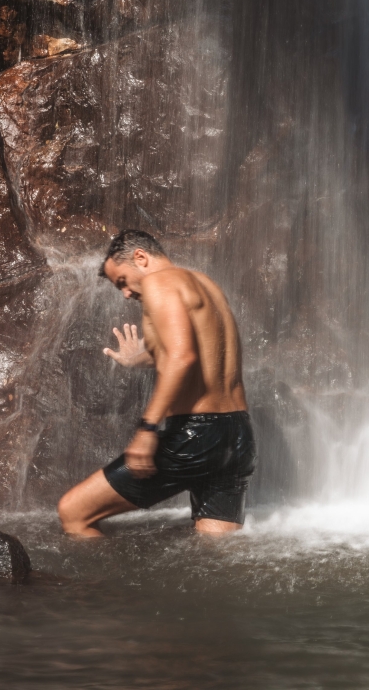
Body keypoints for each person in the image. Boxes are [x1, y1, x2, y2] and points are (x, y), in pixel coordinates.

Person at [57, 230, 256, 537]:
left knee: (73, 513)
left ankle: (103, 587)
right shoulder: (205, 284)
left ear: (140, 258)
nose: (124, 294)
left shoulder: (158, 282)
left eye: (122, 281)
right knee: (218, 554)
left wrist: (147, 429)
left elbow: (183, 357)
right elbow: (202, 352)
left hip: (196, 434)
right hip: (237, 435)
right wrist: (140, 358)